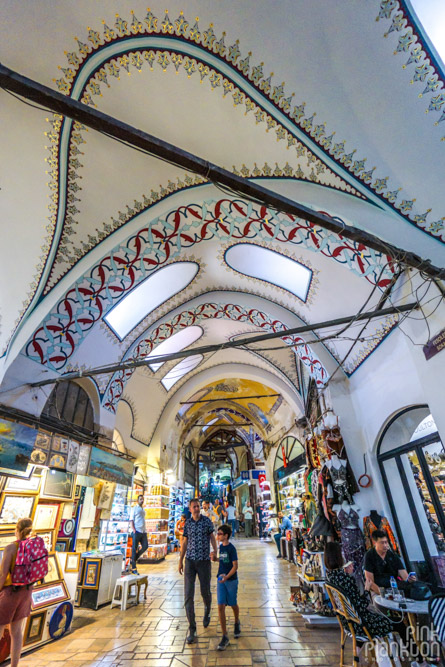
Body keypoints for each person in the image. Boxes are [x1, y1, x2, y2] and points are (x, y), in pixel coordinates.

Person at [324, 542, 393, 639]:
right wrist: (367, 589)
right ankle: (410, 652)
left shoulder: (329, 577)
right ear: (339, 556)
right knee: (395, 622)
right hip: (360, 625)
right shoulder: (345, 579)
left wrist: (348, 575)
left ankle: (358, 651)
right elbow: (361, 605)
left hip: (347, 622)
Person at [179, 498, 218, 644]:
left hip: (204, 562)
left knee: (204, 591)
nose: (196, 509)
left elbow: (212, 537)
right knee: (188, 595)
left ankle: (207, 608)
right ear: (190, 509)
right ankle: (192, 628)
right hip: (189, 562)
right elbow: (184, 542)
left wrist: (215, 551)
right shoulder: (187, 523)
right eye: (194, 507)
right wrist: (180, 560)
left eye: (197, 507)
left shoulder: (206, 521)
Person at [0, 518, 34, 667]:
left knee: (0, 628)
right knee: (17, 631)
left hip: (11, 592)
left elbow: (3, 575)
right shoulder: (34, 548)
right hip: (26, 592)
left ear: (17, 530)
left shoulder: (11, 548)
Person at [364, 529, 416, 594]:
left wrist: (409, 579)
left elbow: (404, 575)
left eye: (386, 542)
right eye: (382, 543)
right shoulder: (369, 556)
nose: (385, 545)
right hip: (378, 588)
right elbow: (370, 581)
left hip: (394, 586)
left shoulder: (393, 555)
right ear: (375, 543)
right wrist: (383, 594)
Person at [216, 523, 240, 651]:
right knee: (220, 606)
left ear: (225, 536)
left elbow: (235, 566)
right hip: (221, 580)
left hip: (231, 581)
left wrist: (227, 577)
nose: (218, 536)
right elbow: (222, 560)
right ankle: (224, 635)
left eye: (220, 534)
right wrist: (215, 558)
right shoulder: (221, 547)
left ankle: (237, 621)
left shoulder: (231, 549)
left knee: (233, 604)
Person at [130, 494, 147, 573]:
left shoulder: (143, 509)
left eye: (143, 499)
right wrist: (133, 529)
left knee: (145, 546)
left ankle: (134, 559)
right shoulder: (134, 508)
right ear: (138, 500)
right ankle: (133, 568)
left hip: (143, 531)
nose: (142, 500)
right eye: (140, 499)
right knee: (134, 548)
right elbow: (131, 520)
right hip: (137, 531)